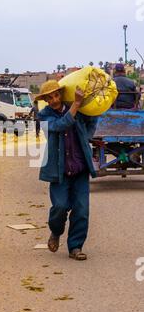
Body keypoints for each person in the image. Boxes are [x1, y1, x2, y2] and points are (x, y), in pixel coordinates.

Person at [35, 80, 98, 261]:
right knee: (60, 207)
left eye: (56, 95)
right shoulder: (45, 115)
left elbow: (93, 118)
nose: (54, 100)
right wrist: (76, 104)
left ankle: (75, 247)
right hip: (59, 170)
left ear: (61, 94)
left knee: (82, 209)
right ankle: (56, 231)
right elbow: (60, 125)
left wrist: (86, 136)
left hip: (79, 167)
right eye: (49, 97)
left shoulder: (75, 107)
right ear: (46, 100)